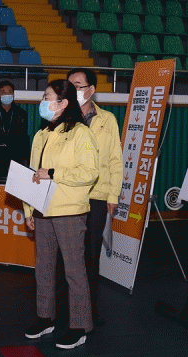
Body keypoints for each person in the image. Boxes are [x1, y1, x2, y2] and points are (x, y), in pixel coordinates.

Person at [23, 79, 99, 349]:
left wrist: (54, 173)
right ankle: (45, 318)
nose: (42, 102)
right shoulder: (41, 134)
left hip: (68, 211)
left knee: (74, 270)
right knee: (43, 268)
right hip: (42, 209)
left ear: (63, 103)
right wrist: (28, 209)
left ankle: (79, 326)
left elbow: (89, 173)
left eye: (47, 97)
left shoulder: (81, 133)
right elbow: (33, 173)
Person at [67, 68, 123, 326]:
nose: (73, 90)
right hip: (68, 194)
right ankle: (66, 307)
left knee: (90, 255)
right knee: (67, 255)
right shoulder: (62, 117)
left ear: (91, 90)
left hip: (97, 195)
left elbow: (115, 160)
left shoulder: (107, 119)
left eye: (78, 85)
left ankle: (89, 307)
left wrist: (113, 195)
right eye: (70, 85)